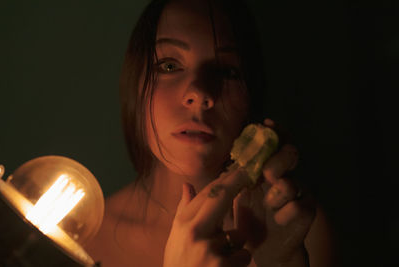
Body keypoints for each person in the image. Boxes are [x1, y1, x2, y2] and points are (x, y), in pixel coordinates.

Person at [85, 0, 336, 266]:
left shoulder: (295, 230)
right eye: (169, 65)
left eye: (226, 71)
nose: (199, 93)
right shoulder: (83, 240)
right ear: (136, 85)